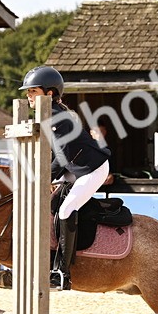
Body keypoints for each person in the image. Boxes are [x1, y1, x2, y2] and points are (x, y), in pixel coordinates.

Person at [21, 65, 111, 290]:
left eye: (33, 91)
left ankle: (63, 272)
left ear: (49, 94)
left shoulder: (57, 118)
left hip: (92, 168)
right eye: (28, 92)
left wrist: (40, 181)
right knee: (53, 207)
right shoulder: (50, 115)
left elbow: (60, 159)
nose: (28, 96)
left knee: (66, 210)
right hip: (75, 166)